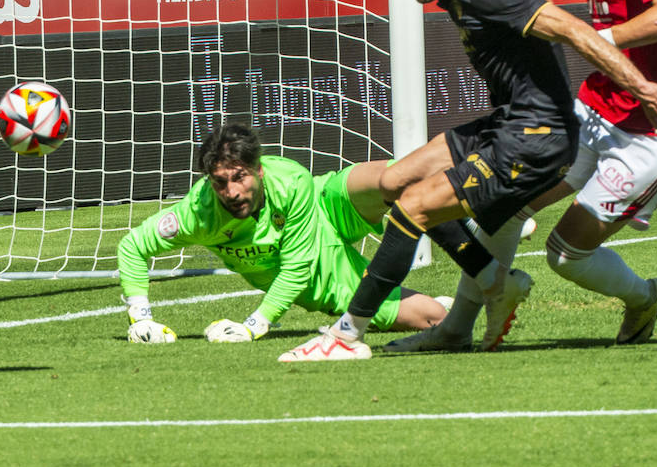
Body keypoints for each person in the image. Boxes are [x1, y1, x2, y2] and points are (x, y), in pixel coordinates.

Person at [278, 0, 657, 363]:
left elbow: (571, 29)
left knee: (415, 209)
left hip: (537, 137)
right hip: (510, 123)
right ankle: (496, 282)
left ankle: (346, 335)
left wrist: (642, 87)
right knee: (396, 183)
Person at [384, 0, 657, 354]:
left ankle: (644, 297)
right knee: (502, 207)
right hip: (592, 112)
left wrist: (595, 41)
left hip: (649, 132)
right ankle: (456, 329)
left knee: (564, 255)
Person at [119, 123, 449, 344]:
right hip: (322, 273)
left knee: (395, 177)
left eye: (240, 177)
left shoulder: (292, 181)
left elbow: (295, 257)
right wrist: (140, 319)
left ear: (259, 170)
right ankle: (449, 304)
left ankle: (474, 171)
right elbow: (132, 247)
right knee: (434, 317)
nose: (231, 191)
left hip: (324, 205)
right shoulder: (198, 214)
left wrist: (254, 325)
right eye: (220, 182)